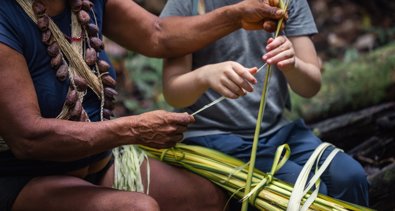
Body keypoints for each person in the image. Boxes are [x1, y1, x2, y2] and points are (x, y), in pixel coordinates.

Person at [0, 0, 286, 210]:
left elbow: (157, 33)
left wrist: (235, 16)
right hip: (24, 178)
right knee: (139, 209)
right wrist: (134, 129)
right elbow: (28, 137)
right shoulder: (6, 17)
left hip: (99, 163)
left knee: (211, 199)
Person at [161, 0, 369, 208]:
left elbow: (311, 86)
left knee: (350, 177)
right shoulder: (186, 4)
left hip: (277, 130)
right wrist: (205, 76)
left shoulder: (286, 2)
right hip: (211, 135)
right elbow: (173, 93)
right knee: (304, 192)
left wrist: (292, 64)